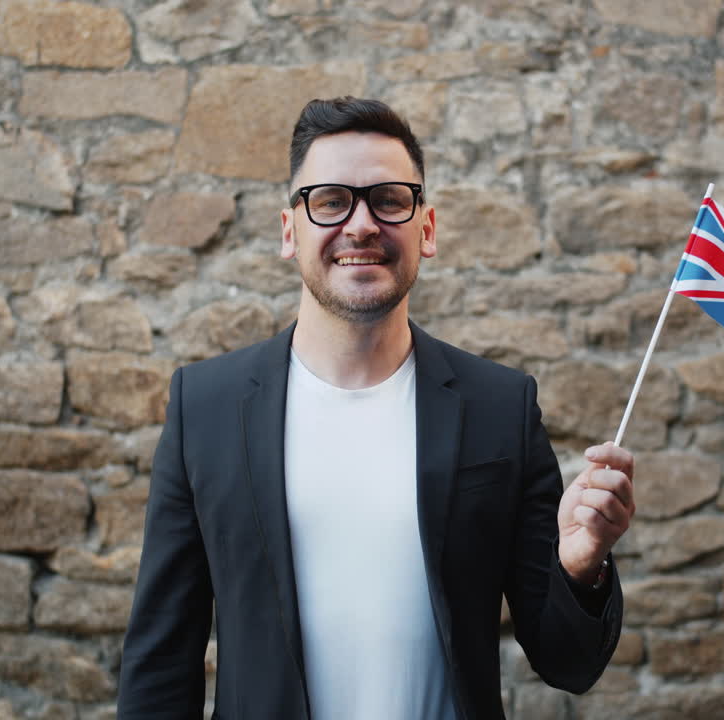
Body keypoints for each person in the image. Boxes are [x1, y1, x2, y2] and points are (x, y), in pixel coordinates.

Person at [118, 96, 636, 720]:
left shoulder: (501, 407)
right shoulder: (206, 408)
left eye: (389, 199)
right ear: (290, 231)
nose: (361, 224)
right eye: (330, 201)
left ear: (427, 228)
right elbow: (159, 670)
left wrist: (580, 566)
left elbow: (568, 663)